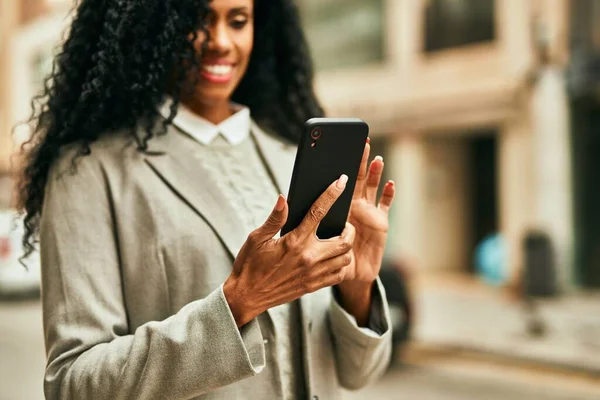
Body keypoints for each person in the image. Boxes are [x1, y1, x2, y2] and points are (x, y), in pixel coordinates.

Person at [17, 0, 396, 398]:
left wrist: (358, 291)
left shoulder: (289, 158)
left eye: (238, 20)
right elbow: (73, 384)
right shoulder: (89, 171)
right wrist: (237, 303)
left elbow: (356, 375)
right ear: (150, 26)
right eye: (195, 20)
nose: (219, 42)